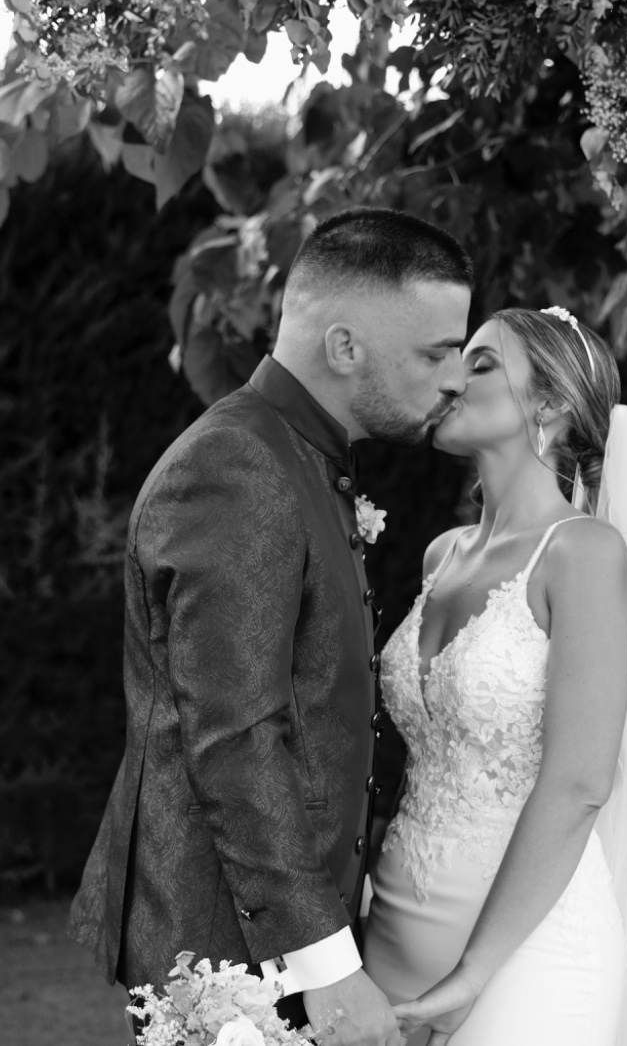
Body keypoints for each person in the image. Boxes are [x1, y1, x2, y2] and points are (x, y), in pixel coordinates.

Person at [67, 208, 473, 1046]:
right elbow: (236, 738)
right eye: (436, 352)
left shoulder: (300, 456)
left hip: (276, 935)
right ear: (345, 345)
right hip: (225, 953)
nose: (454, 379)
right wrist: (328, 970)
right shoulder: (237, 469)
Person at [362, 306, 627, 1045]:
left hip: (528, 949)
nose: (452, 378)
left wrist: (473, 974)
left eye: (481, 365)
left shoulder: (583, 555)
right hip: (396, 926)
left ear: (549, 405)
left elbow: (579, 785)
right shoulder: (442, 556)